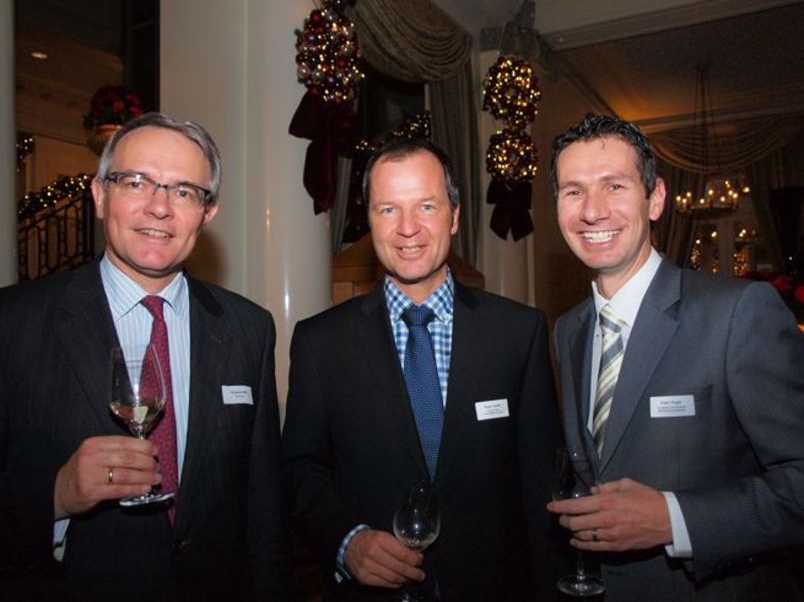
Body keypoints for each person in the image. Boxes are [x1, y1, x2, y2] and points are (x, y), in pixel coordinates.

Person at [0, 112, 291, 600]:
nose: (159, 207)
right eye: (136, 182)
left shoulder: (248, 328)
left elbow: (264, 507)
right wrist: (55, 496)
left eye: (184, 191)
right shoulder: (4, 325)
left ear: (207, 213)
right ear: (99, 195)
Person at [282, 137, 563, 601]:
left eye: (426, 206)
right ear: (370, 221)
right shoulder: (321, 342)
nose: (407, 228)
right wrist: (347, 541)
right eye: (388, 209)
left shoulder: (518, 333)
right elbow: (299, 468)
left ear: (454, 216)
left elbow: (540, 485)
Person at [547, 113, 804, 600]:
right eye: (573, 191)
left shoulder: (737, 313)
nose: (592, 211)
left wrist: (676, 519)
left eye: (614, 186)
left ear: (656, 198)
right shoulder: (569, 330)